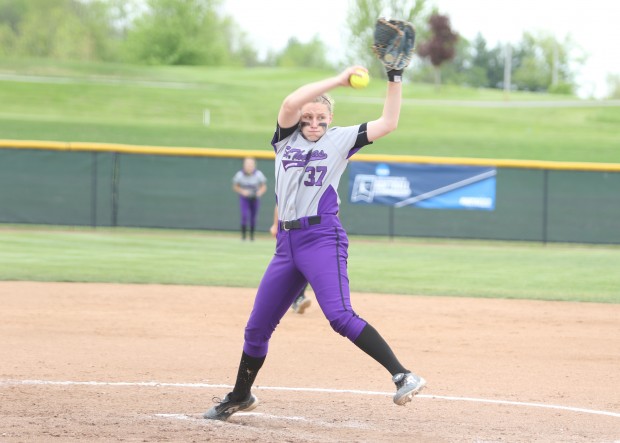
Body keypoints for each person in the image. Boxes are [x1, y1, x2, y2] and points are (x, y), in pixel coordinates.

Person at [205, 64, 425, 421]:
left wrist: (394, 78)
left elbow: (388, 123)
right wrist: (338, 80)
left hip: (322, 237)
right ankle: (241, 395)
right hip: (287, 243)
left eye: (320, 116)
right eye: (307, 116)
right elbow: (292, 101)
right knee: (257, 327)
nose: (313, 122)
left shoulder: (339, 140)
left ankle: (402, 374)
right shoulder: (284, 139)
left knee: (339, 316)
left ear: (330, 118)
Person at [269, 205, 312, 314]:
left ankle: (297, 297)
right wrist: (275, 225)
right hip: (289, 230)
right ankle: (292, 297)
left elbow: (334, 207)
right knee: (289, 264)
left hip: (312, 230)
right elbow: (279, 204)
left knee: (306, 265)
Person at [232, 157, 267, 241]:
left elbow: (263, 186)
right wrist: (243, 191)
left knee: (253, 217)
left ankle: (252, 237)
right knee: (244, 215)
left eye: (251, 164)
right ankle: (243, 236)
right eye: (247, 164)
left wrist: (259, 193)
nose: (249, 166)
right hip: (244, 198)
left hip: (255, 198)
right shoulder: (240, 174)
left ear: (254, 165)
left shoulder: (258, 174)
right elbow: (235, 186)